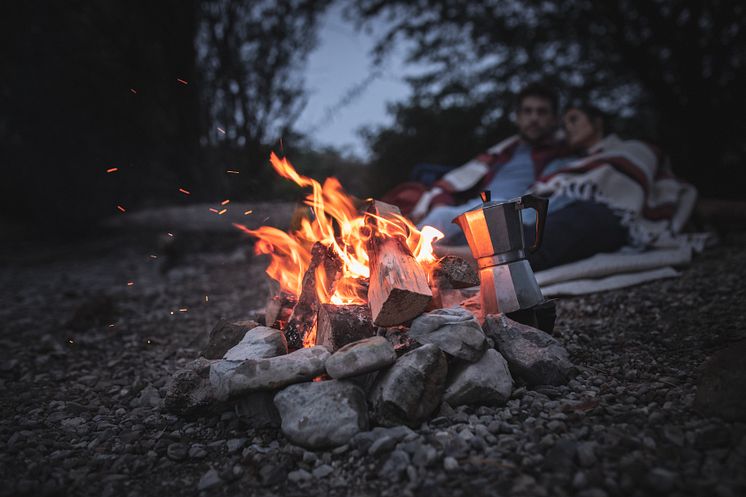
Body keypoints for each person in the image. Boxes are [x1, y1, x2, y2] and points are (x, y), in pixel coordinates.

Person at [437, 103, 698, 271]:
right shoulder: (568, 162)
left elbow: (634, 175)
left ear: (597, 123)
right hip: (562, 208)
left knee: (564, 225)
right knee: (515, 223)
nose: (567, 128)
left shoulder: (626, 149)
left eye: (574, 120)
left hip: (605, 213)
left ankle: (471, 260)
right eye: (564, 124)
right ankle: (457, 255)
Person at [382, 82, 569, 242]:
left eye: (541, 112)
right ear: (519, 117)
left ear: (554, 119)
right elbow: (457, 180)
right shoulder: (501, 152)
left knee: (472, 217)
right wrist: (441, 202)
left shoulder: (563, 152)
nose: (534, 118)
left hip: (512, 211)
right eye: (528, 111)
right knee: (433, 213)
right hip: (475, 206)